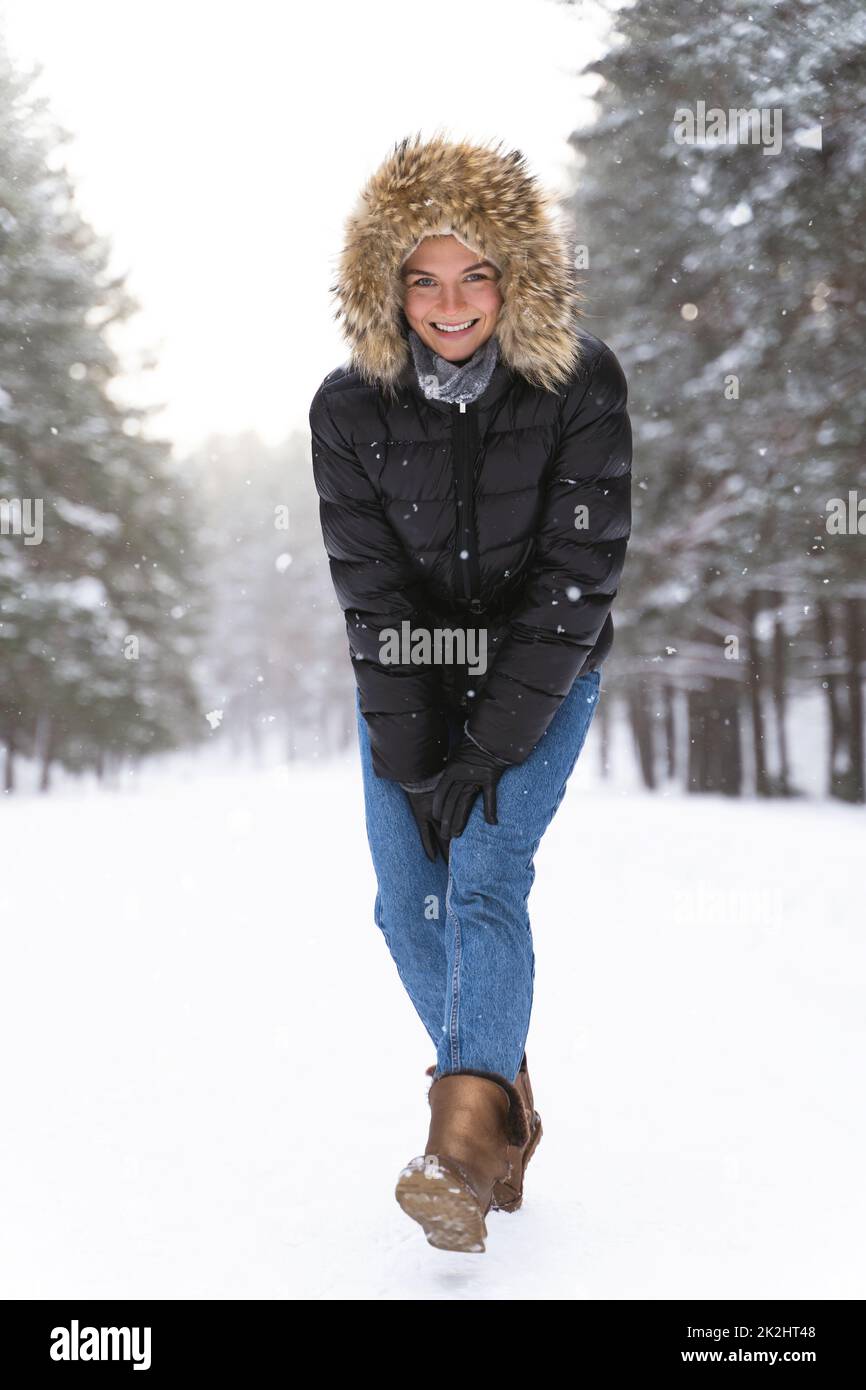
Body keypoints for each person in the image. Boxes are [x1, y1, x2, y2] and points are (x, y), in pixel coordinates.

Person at [310, 132, 632, 1253]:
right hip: (407, 676)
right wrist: (416, 763)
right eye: (422, 280)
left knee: (486, 874)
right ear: (386, 289)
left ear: (514, 279)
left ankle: (459, 1148)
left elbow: (576, 573)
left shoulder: (577, 383)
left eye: (474, 274)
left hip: (542, 672)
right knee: (409, 904)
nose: (450, 304)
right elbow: (373, 590)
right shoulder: (347, 411)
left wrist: (486, 749)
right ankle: (493, 1085)